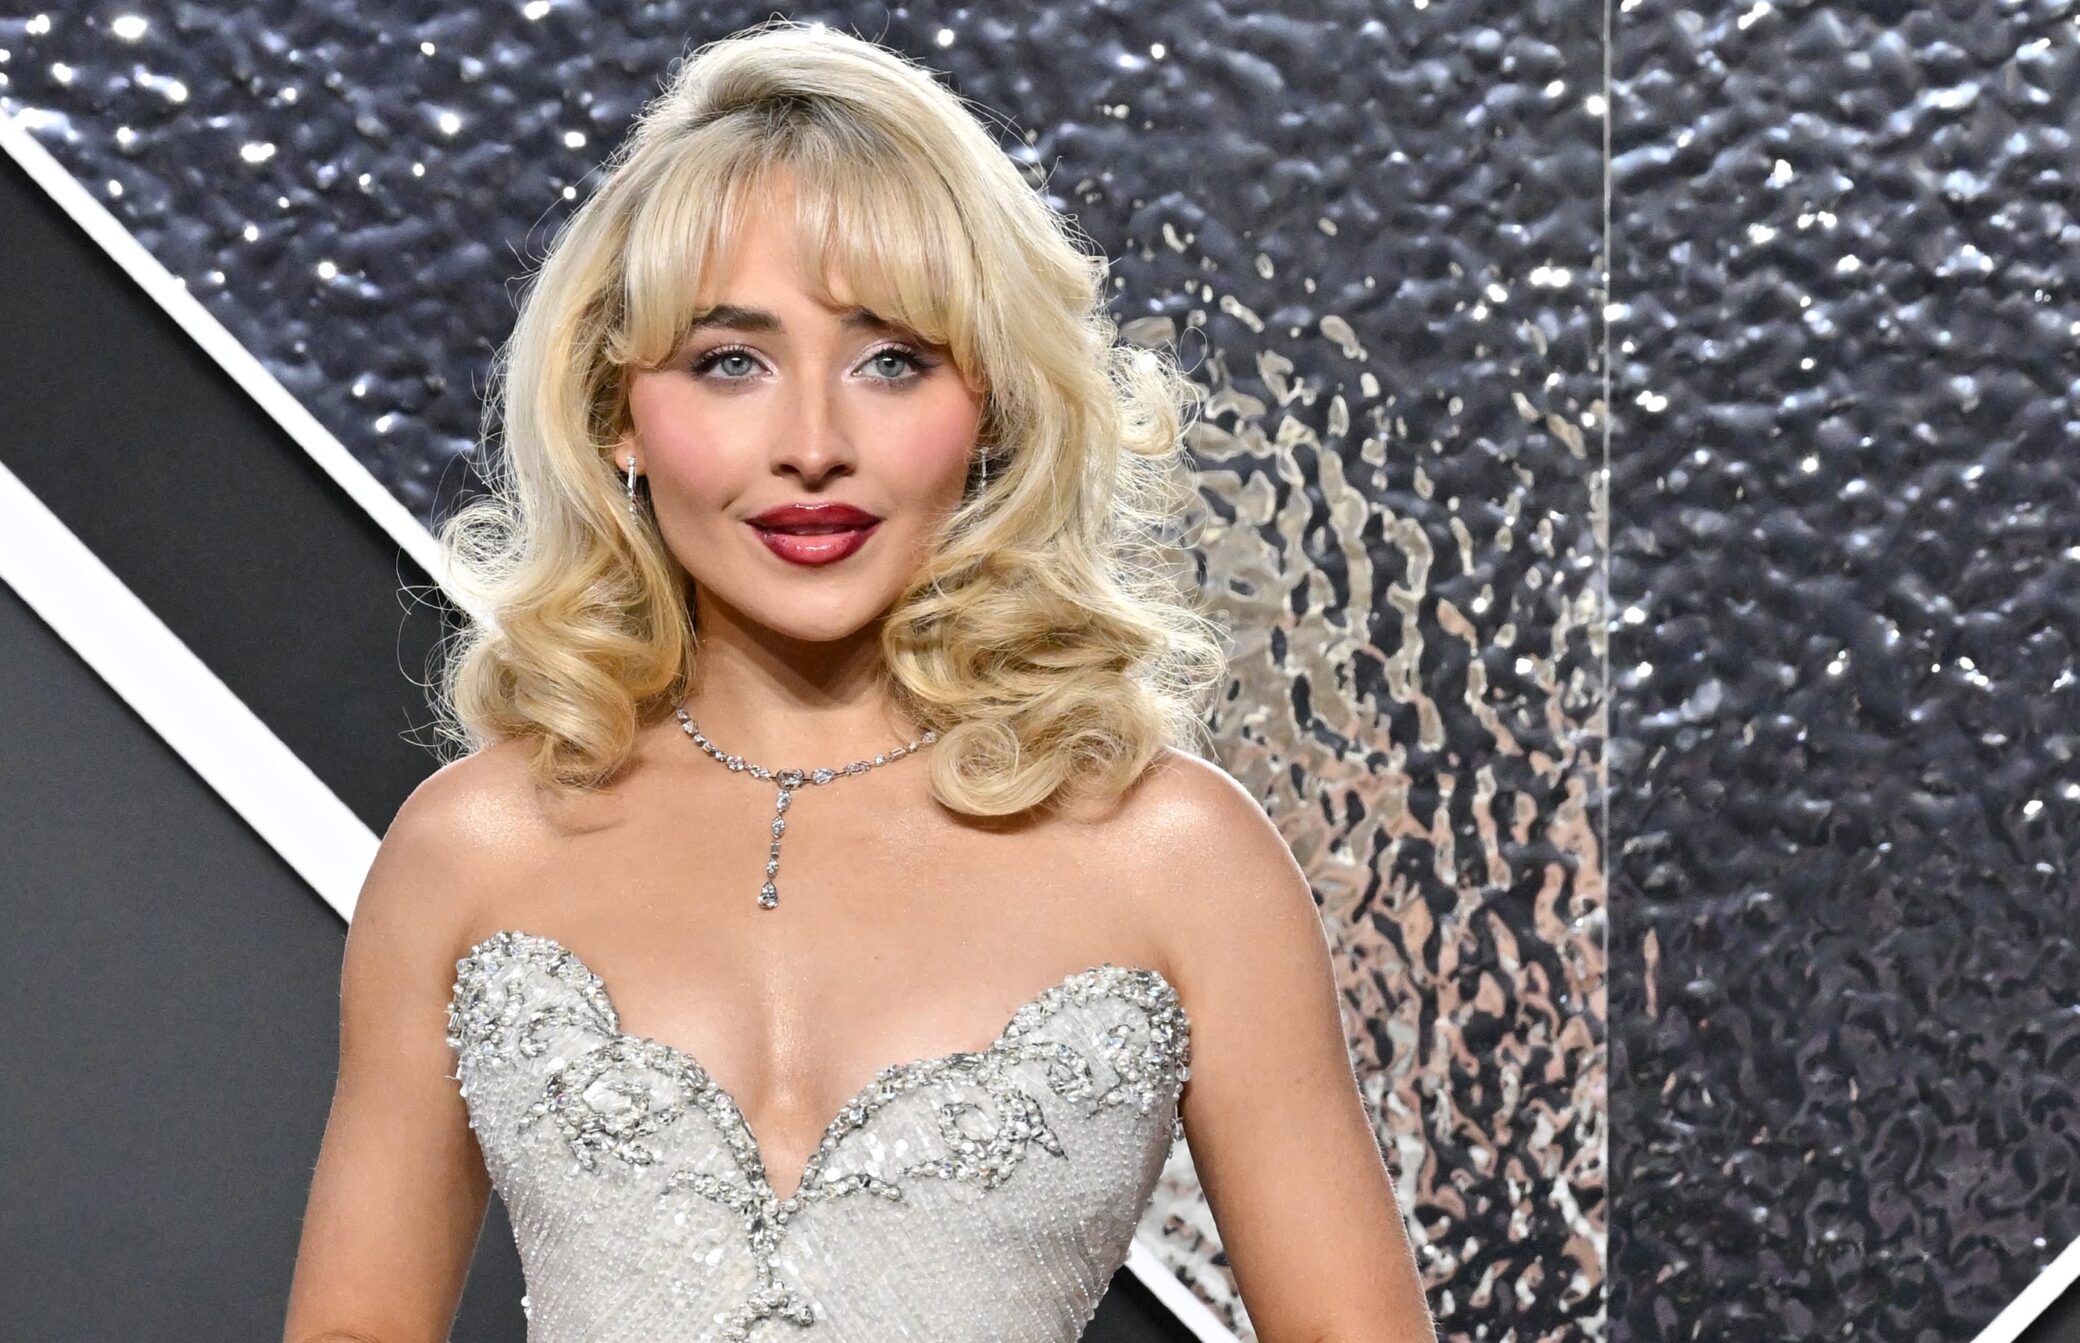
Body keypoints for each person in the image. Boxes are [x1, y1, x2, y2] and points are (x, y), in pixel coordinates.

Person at [283, 19, 1434, 1343]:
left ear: (992, 405)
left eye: (893, 359)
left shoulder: (1177, 859)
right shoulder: (470, 851)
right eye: (731, 361)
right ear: (616, 416)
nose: (814, 444)